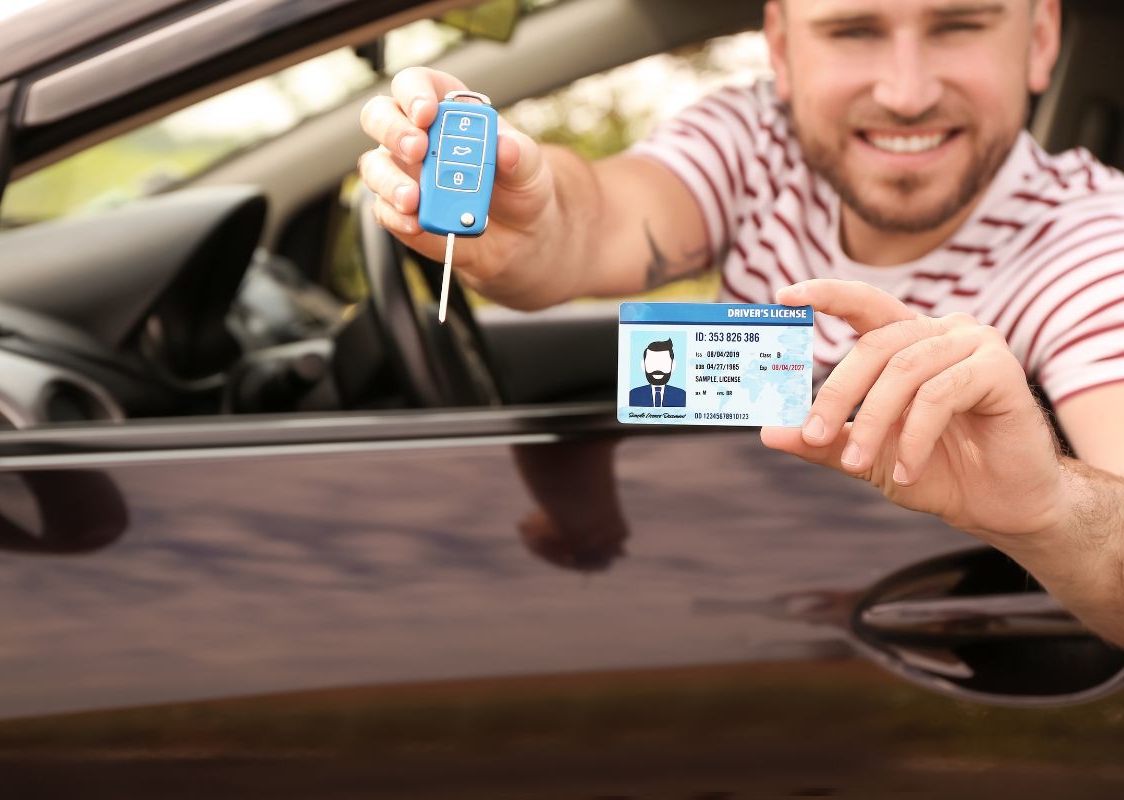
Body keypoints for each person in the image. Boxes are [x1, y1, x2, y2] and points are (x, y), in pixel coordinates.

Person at [359, 0, 1124, 644]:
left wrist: (1053, 510)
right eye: (853, 30)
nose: (906, 92)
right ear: (782, 49)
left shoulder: (1096, 244)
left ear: (1041, 39)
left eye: (959, 25)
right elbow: (598, 218)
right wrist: (536, 218)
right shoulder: (756, 141)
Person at [629, 339, 687, 408]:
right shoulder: (634, 395)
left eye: (663, 363)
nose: (657, 368)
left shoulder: (681, 395)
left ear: (673, 365)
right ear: (643, 365)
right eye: (652, 362)